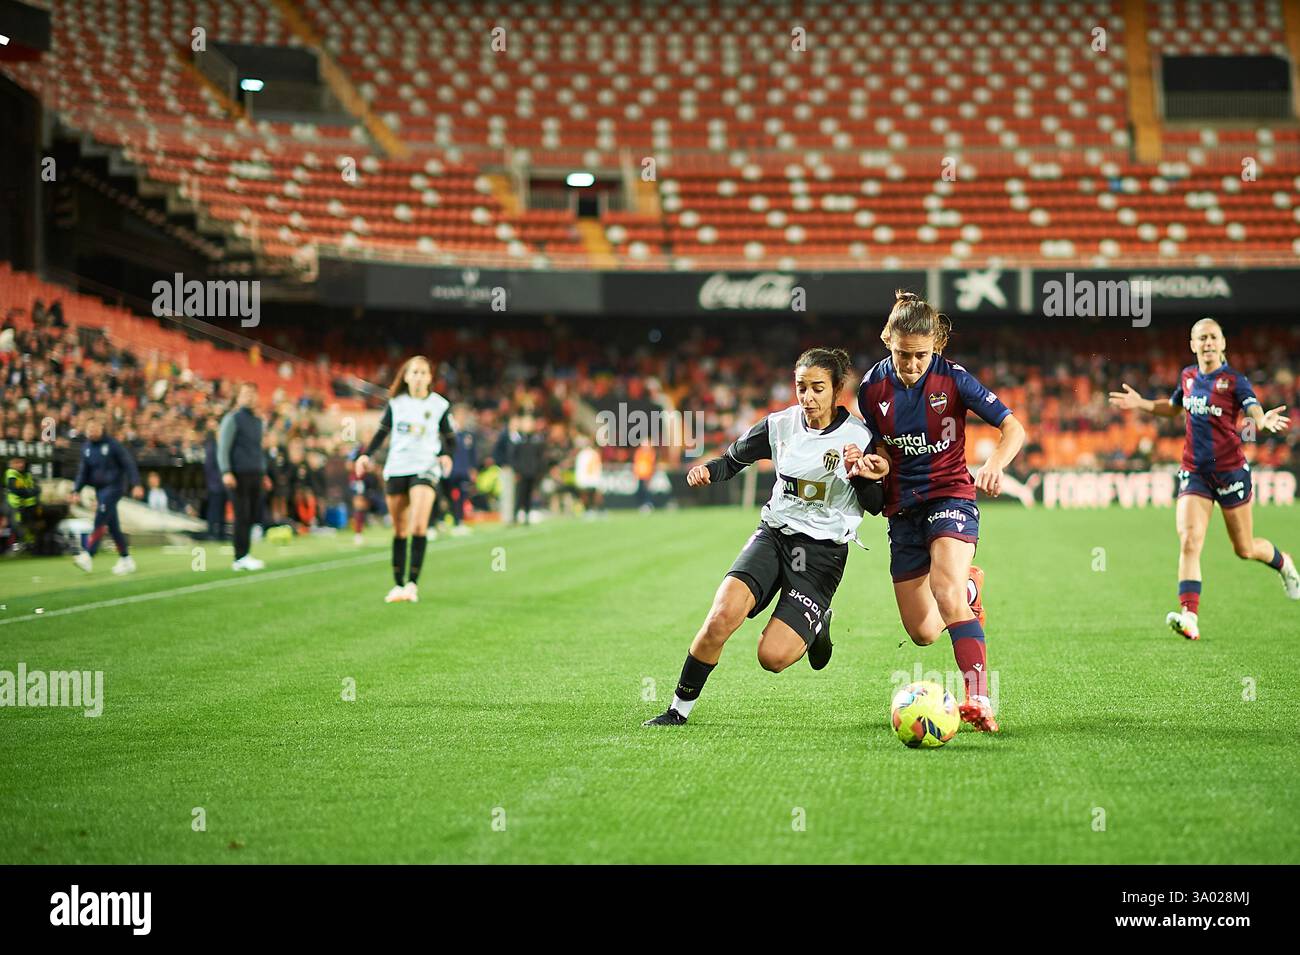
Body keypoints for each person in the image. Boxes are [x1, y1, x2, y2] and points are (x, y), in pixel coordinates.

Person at [643, 348, 889, 726]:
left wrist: (860, 475)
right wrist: (708, 471)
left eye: (817, 388)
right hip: (773, 535)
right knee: (721, 617)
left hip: (821, 554)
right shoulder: (780, 425)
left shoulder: (858, 436)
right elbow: (732, 460)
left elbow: (875, 505)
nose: (807, 397)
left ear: (837, 389)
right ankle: (678, 709)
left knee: (772, 658)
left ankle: (817, 622)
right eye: (801, 387)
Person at [856, 291, 1026, 733]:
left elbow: (1013, 428)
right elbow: (882, 450)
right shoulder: (871, 389)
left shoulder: (955, 380)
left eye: (921, 355)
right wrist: (875, 466)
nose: (912, 364)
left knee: (945, 591)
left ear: (937, 345)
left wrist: (995, 463)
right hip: (902, 509)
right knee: (923, 632)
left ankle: (979, 698)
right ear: (887, 341)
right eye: (903, 354)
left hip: (950, 496)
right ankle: (971, 587)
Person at [1108, 317, 1298, 639]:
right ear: (1193, 345)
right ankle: (1190, 616)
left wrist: (1262, 420)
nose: (1208, 343)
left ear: (1222, 343)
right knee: (1189, 540)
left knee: (1245, 548)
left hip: (1230, 473)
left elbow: (1253, 409)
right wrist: (1142, 403)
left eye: (1213, 337)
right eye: (1202, 338)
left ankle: (1285, 564)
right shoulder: (1188, 376)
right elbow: (1174, 407)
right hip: (1195, 472)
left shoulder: (1235, 381)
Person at [353, 355, 454, 604]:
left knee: (418, 525)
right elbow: (382, 433)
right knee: (399, 529)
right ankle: (398, 584)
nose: (418, 377)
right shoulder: (396, 403)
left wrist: (445, 455)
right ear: (406, 377)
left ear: (430, 378)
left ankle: (412, 584)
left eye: (423, 373)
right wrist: (365, 455)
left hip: (425, 467)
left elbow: (450, 438)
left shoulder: (439, 405)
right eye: (414, 372)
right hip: (397, 467)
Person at [71, 417, 144, 575]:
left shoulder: (113, 445)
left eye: (94, 428)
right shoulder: (86, 448)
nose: (92, 432)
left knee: (100, 517)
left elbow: (128, 463)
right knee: (113, 526)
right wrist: (76, 490)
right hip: (100, 490)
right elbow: (83, 472)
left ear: (101, 428)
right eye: (89, 429)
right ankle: (126, 559)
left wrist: (136, 484)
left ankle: (88, 555)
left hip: (115, 488)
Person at [218, 382, 269, 571]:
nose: (249, 397)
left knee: (252, 515)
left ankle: (245, 554)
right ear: (239, 397)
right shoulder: (232, 419)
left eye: (252, 393)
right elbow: (223, 447)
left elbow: (258, 450)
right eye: (245, 393)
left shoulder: (258, 421)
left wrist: (264, 473)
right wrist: (226, 471)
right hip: (238, 474)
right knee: (242, 515)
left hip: (255, 473)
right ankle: (240, 557)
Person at [5, 455, 41, 551]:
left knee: (31, 525)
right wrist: (31, 492)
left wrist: (33, 492)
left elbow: (36, 488)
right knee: (18, 525)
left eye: (22, 462)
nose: (21, 465)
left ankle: (31, 544)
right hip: (16, 505)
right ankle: (20, 545)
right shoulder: (12, 474)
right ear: (11, 464)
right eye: (17, 462)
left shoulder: (27, 474)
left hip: (29, 505)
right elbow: (18, 490)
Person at [202, 416, 227, 540]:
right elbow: (209, 467)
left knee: (221, 509)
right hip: (215, 484)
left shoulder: (220, 446)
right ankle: (212, 532)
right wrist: (214, 482)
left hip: (222, 484)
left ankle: (220, 532)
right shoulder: (212, 447)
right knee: (214, 509)